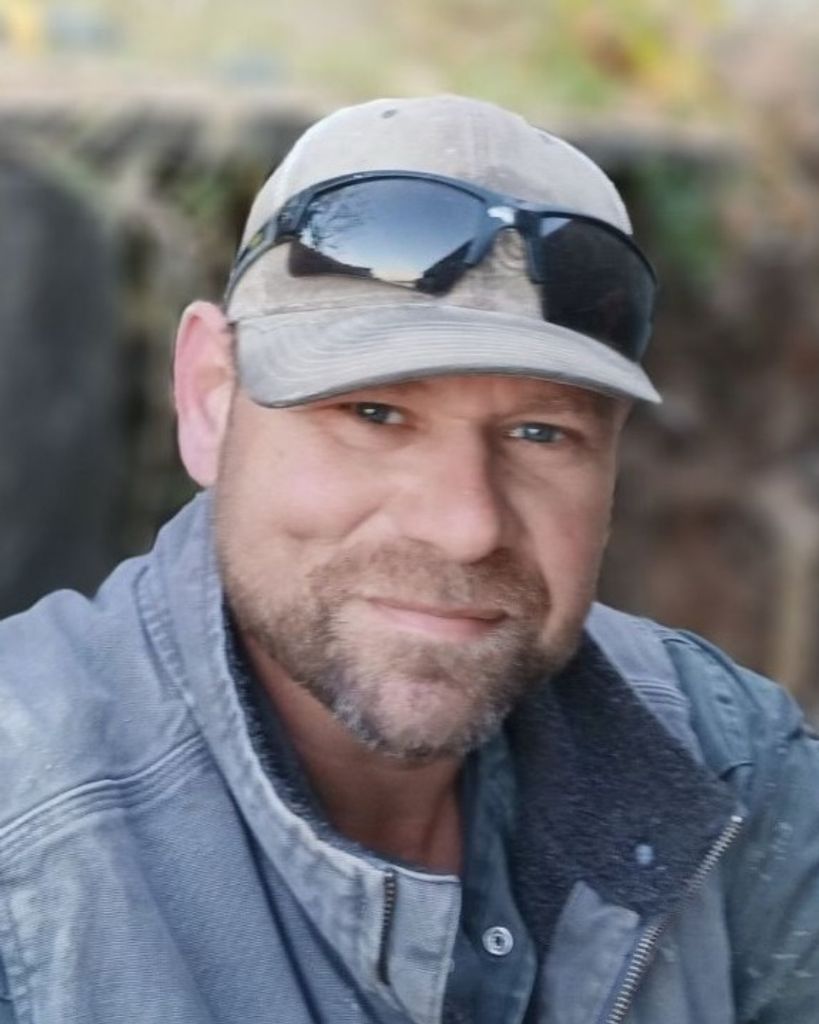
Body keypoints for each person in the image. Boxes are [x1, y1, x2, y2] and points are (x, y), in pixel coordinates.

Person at [0, 95, 816, 1024]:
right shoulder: (25, 834)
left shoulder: (726, 761)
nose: (465, 525)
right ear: (210, 397)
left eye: (540, 433)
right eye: (374, 414)